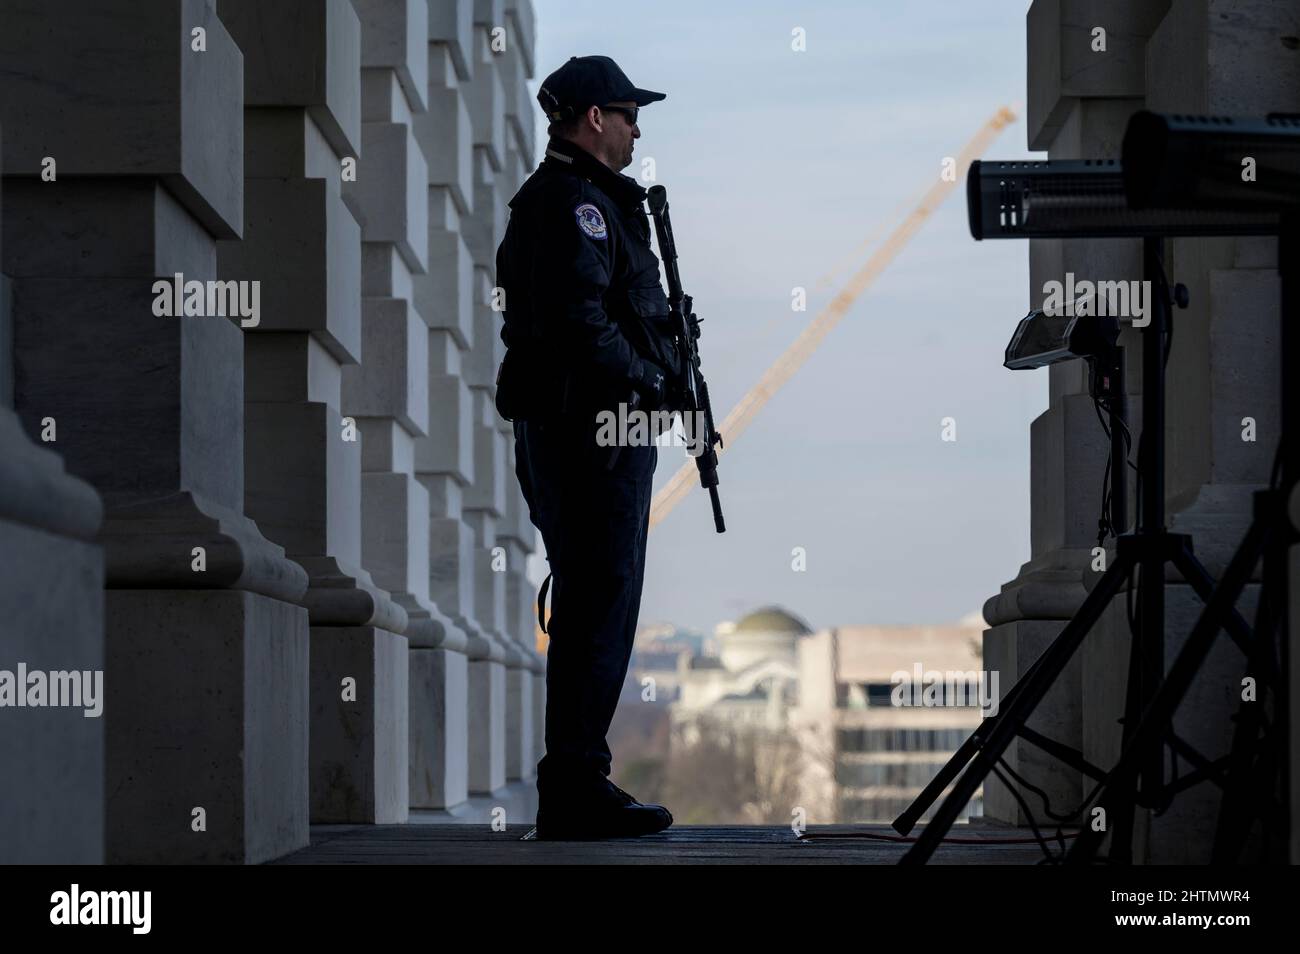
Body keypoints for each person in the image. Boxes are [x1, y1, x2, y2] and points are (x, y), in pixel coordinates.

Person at [494, 55, 683, 839]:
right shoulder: (573, 205)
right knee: (598, 602)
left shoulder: (591, 202)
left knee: (596, 601)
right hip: (591, 430)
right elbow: (579, 323)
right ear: (594, 119)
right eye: (628, 112)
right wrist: (648, 379)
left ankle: (577, 779)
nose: (639, 126)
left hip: (594, 427)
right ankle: (573, 786)